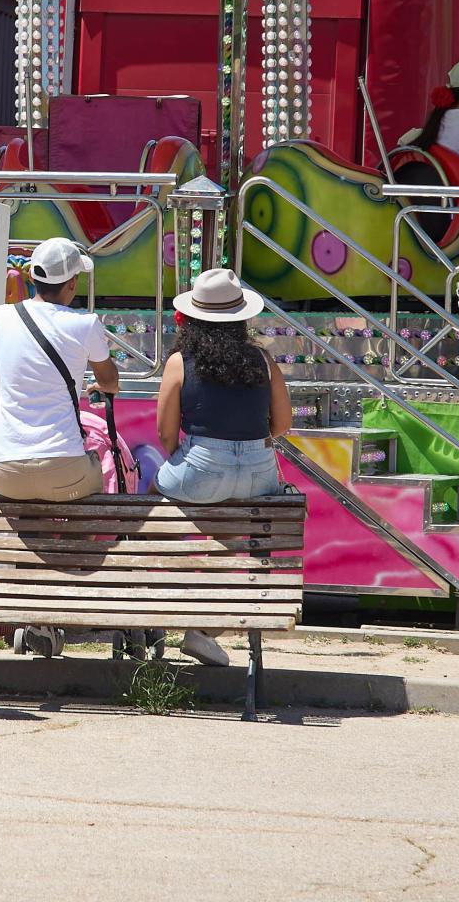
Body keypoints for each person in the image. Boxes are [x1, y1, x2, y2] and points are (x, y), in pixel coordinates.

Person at [0, 238, 119, 659]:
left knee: (33, 515)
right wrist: (89, 385)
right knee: (99, 477)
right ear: (71, 284)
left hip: (4, 470)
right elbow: (110, 383)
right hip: (64, 471)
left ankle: (38, 616)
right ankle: (60, 598)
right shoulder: (85, 323)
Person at [155, 268, 293, 667]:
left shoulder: (181, 361)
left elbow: (166, 436)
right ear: (241, 318)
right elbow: (282, 425)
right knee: (235, 536)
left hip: (200, 468)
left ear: (193, 318)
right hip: (258, 474)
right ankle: (203, 630)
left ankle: (149, 602)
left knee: (149, 499)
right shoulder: (264, 359)